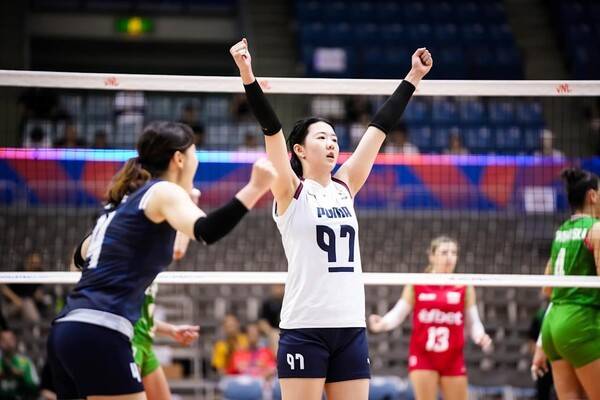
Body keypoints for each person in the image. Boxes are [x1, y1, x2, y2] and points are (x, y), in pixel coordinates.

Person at [230, 37, 432, 400]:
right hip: (305, 328)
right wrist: (247, 74)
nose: (331, 143)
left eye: (335, 138)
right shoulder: (290, 190)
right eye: (322, 137)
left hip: (350, 327)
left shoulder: (345, 186)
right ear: (299, 150)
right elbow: (272, 131)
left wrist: (413, 77)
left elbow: (379, 130)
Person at [47, 121, 276, 399]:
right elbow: (206, 231)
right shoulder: (162, 191)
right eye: (195, 154)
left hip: (67, 329)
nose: (196, 162)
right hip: (102, 329)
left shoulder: (123, 205)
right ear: (179, 159)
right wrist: (255, 188)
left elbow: (79, 258)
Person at [369, 236, 492, 400]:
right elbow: (398, 314)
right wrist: (382, 324)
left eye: (454, 253)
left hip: (453, 357)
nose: (449, 257)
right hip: (424, 356)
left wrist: (480, 336)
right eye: (444, 252)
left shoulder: (464, 285)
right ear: (432, 256)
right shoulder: (417, 283)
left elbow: (474, 321)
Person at [531, 168, 600, 399]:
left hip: (553, 326)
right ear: (592, 196)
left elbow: (548, 289)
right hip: (580, 321)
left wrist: (541, 343)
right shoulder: (596, 228)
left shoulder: (561, 233)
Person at [0, 330, 40, 399]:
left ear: (15, 341)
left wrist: (23, 377)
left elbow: (35, 387)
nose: (8, 342)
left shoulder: (25, 363)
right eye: (4, 340)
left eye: (10, 339)